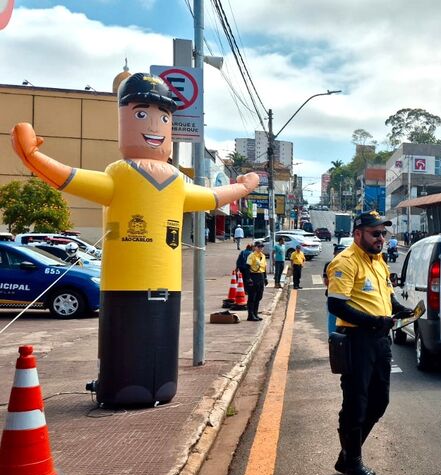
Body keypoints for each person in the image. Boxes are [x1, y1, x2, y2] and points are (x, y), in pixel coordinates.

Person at [10, 72, 260, 406]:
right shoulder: (120, 174)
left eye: (164, 117)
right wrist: (32, 157)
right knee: (127, 353)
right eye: (142, 114)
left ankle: (152, 387)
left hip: (166, 285)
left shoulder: (174, 181)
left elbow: (212, 196)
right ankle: (120, 387)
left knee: (159, 349)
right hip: (124, 286)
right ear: (125, 118)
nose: (155, 125)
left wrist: (243, 188)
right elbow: (70, 178)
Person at [326, 211, 414, 475]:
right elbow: (336, 306)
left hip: (379, 341)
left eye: (383, 233)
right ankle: (353, 465)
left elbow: (387, 298)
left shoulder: (379, 263)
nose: (381, 238)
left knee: (380, 401)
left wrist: (403, 311)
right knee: (356, 402)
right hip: (356, 340)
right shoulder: (345, 262)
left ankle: (347, 455)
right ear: (358, 234)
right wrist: (373, 321)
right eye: (375, 233)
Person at [246, 241, 266, 321]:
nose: (260, 248)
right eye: (259, 247)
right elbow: (247, 268)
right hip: (253, 276)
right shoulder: (252, 256)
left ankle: (255, 313)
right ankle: (250, 315)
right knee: (252, 297)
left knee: (259, 296)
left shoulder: (263, 256)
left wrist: (265, 278)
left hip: (260, 276)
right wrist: (248, 278)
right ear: (255, 247)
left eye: (261, 247)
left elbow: (264, 268)